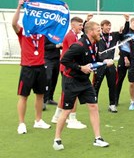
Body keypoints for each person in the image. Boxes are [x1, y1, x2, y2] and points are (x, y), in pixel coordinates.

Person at [53, 21, 113, 150]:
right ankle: (57, 139)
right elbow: (64, 60)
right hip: (71, 81)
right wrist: (81, 68)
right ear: (90, 32)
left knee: (93, 106)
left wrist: (104, 62)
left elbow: (94, 59)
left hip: (84, 82)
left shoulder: (95, 44)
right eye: (98, 30)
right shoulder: (78, 46)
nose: (100, 32)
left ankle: (98, 138)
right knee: (67, 111)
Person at [12, 0, 51, 134]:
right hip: (27, 68)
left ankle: (38, 120)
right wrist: (19, 7)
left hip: (41, 67)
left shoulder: (42, 33)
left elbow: (54, 23)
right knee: (24, 96)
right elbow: (13, 23)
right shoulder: (23, 31)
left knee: (40, 95)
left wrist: (62, 8)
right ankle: (21, 123)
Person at [51, 16, 88, 129]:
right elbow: (74, 54)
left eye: (82, 25)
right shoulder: (71, 36)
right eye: (80, 25)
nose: (81, 27)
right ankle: (72, 119)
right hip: (68, 69)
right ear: (73, 25)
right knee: (73, 93)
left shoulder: (73, 35)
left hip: (66, 68)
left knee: (65, 93)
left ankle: (57, 116)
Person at [93, 15, 130, 113]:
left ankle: (112, 104)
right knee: (96, 85)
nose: (109, 27)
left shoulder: (113, 35)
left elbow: (125, 33)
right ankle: (94, 105)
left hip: (111, 64)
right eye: (107, 26)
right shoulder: (97, 36)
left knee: (112, 85)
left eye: (110, 26)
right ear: (102, 27)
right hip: (100, 64)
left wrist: (127, 21)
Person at [116, 16, 134, 106]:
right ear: (131, 23)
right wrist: (125, 57)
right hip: (123, 58)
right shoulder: (125, 32)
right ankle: (115, 99)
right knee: (119, 79)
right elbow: (121, 45)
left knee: (133, 80)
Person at [43, 37, 61, 110]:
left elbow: (60, 45)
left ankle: (50, 98)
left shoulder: (58, 35)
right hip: (47, 59)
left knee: (54, 79)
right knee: (48, 78)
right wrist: (55, 46)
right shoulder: (46, 34)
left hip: (56, 59)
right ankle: (43, 100)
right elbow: (43, 46)